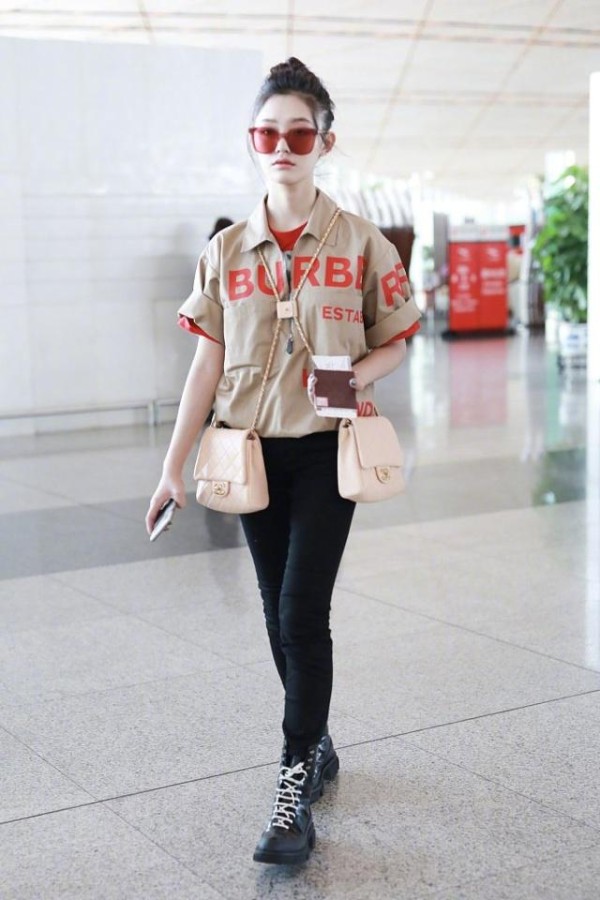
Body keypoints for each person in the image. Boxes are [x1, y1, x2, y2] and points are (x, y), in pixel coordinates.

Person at [146, 57, 421, 866]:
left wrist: (352, 376)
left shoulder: (363, 242)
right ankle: (319, 741)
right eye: (267, 133)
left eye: (300, 133)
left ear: (325, 142)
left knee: (302, 611)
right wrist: (171, 469)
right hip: (248, 454)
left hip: (327, 451)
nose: (282, 147)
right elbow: (204, 365)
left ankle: (292, 782)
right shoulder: (227, 250)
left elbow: (397, 341)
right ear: (252, 141)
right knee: (276, 612)